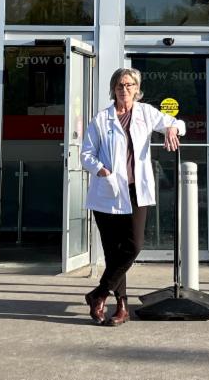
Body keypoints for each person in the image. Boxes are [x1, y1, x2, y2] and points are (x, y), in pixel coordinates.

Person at [81, 67, 184, 326]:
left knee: (133, 246)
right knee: (113, 252)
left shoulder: (146, 113)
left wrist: (172, 129)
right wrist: (101, 170)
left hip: (136, 191)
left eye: (129, 85)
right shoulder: (101, 119)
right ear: (113, 89)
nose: (124, 90)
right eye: (119, 85)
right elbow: (86, 154)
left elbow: (177, 123)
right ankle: (121, 307)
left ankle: (98, 294)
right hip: (107, 192)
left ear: (137, 90)